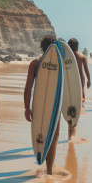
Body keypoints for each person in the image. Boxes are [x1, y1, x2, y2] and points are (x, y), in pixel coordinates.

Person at [24, 35, 60, 174]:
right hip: (55, 105)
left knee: (42, 133)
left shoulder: (35, 63)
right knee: (53, 137)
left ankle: (46, 166)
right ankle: (49, 170)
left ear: (42, 47)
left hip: (38, 104)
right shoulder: (60, 65)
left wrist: (27, 107)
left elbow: (28, 87)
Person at [66, 38, 91, 139]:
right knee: (77, 105)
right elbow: (86, 70)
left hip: (69, 82)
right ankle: (73, 131)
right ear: (77, 46)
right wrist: (89, 81)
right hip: (80, 82)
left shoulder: (66, 57)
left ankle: (71, 130)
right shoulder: (82, 57)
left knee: (70, 104)